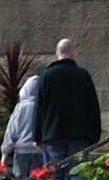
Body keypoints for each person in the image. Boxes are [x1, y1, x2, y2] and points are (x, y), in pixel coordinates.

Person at [29, 38, 102, 177]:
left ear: (57, 53)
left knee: (54, 174)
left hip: (52, 136)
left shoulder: (46, 76)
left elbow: (38, 108)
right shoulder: (83, 75)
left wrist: (36, 135)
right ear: (73, 53)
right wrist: (95, 135)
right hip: (80, 136)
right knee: (77, 173)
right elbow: (93, 107)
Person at [0, 70, 43, 180]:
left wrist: (5, 152)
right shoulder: (44, 106)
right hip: (39, 150)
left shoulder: (20, 107)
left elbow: (11, 131)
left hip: (21, 151)